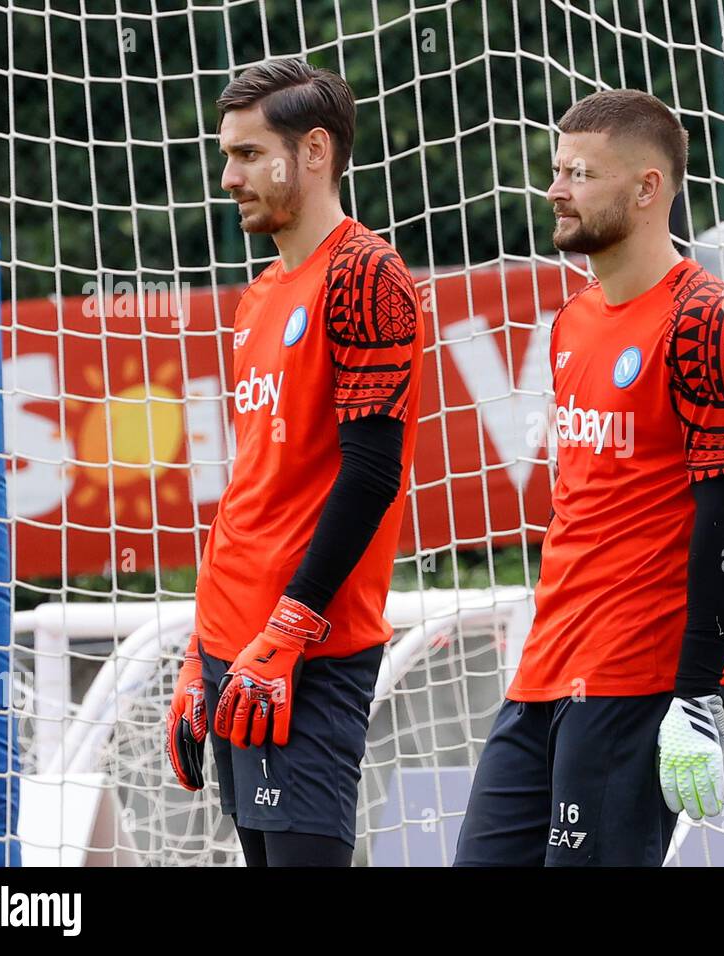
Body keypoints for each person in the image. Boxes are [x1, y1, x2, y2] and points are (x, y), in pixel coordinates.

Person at [454, 89, 724, 866]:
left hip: (639, 681)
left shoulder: (708, 320)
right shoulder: (571, 320)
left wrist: (696, 695)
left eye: (579, 173)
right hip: (544, 669)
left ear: (647, 187)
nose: (555, 190)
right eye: (556, 170)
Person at [164, 58, 423, 867]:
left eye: (247, 154)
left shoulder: (365, 273)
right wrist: (194, 658)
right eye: (226, 155)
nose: (227, 177)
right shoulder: (260, 295)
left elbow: (372, 476)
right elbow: (250, 487)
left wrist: (291, 625)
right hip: (230, 649)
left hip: (308, 650)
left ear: (314, 151)